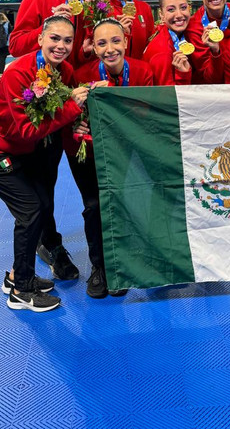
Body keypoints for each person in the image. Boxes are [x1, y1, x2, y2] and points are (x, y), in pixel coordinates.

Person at [0, 16, 89, 312]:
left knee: (42, 206)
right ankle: (21, 290)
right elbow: (28, 130)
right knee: (30, 211)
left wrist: (80, 121)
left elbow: (71, 108)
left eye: (67, 41)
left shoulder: (65, 70)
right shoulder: (18, 73)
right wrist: (72, 108)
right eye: (54, 39)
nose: (60, 46)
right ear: (40, 40)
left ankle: (15, 276)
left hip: (20, 149)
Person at [67, 18, 153, 298]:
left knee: (125, 204)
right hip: (90, 153)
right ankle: (99, 268)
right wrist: (75, 125)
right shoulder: (81, 74)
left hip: (128, 151)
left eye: (116, 41)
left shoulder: (143, 72)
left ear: (126, 42)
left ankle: (122, 265)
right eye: (101, 43)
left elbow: (148, 115)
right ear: (93, 46)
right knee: (94, 206)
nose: (110, 49)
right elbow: (68, 112)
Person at [143, 0, 195, 85]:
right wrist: (183, 75)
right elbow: (167, 97)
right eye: (171, 10)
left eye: (183, 7)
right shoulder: (162, 53)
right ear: (161, 15)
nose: (179, 14)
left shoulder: (166, 31)